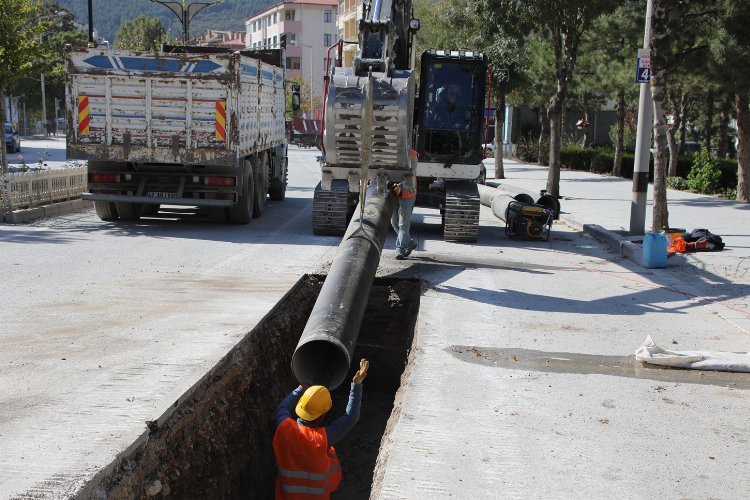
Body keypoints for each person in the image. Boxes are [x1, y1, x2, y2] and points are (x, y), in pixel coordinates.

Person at [273, 358, 370, 499]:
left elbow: (282, 408)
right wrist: (356, 385)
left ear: (299, 406)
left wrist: (300, 388)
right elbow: (351, 418)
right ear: (322, 416)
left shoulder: (284, 428)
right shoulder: (323, 439)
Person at [389, 155, 418, 260]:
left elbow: (410, 174)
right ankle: (410, 242)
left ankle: (400, 249)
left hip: (407, 193)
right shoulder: (391, 152)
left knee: (403, 224)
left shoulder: (413, 155)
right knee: (394, 222)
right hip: (394, 192)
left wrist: (399, 185)